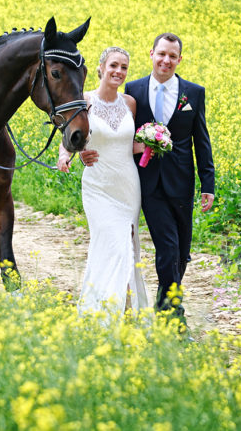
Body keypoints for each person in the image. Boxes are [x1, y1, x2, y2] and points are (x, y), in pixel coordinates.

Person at [82, 33, 214, 329]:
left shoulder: (194, 92)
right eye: (161, 54)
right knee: (167, 249)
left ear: (180, 60)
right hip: (147, 183)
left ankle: (163, 301)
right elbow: (115, 133)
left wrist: (208, 184)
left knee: (181, 254)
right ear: (151, 54)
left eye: (172, 56)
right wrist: (82, 153)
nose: (166, 60)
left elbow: (201, 141)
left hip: (181, 183)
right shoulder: (135, 91)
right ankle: (172, 319)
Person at [58, 47, 148, 316]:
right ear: (101, 67)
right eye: (114, 66)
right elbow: (68, 137)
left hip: (127, 186)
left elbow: (128, 144)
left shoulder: (130, 103)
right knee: (112, 243)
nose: (118, 72)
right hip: (98, 186)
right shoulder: (84, 101)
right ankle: (105, 312)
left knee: (126, 246)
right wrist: (68, 157)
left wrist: (153, 143)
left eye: (124, 68)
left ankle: (122, 307)